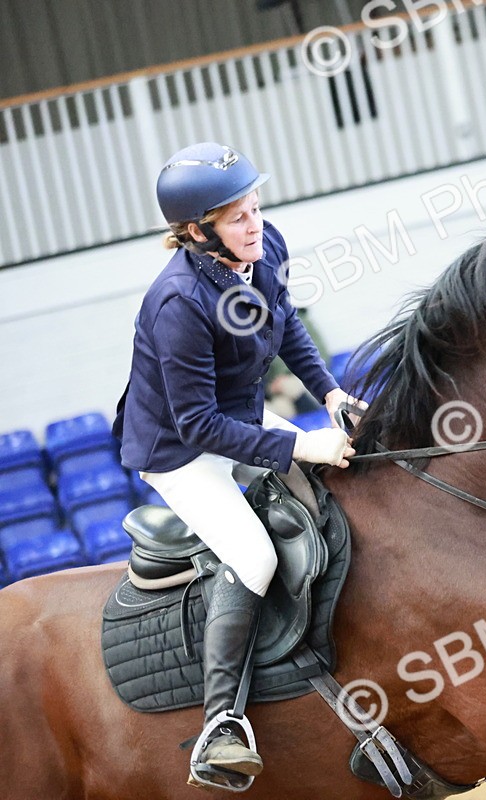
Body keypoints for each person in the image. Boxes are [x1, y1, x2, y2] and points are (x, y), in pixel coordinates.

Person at [112, 142, 360, 782]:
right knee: (254, 556)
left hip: (239, 415)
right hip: (179, 450)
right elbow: (198, 426)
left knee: (330, 486)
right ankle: (220, 725)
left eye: (255, 206)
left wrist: (330, 395)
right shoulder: (179, 302)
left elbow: (286, 325)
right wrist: (300, 444)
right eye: (238, 216)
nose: (255, 223)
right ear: (198, 232)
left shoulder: (264, 246)